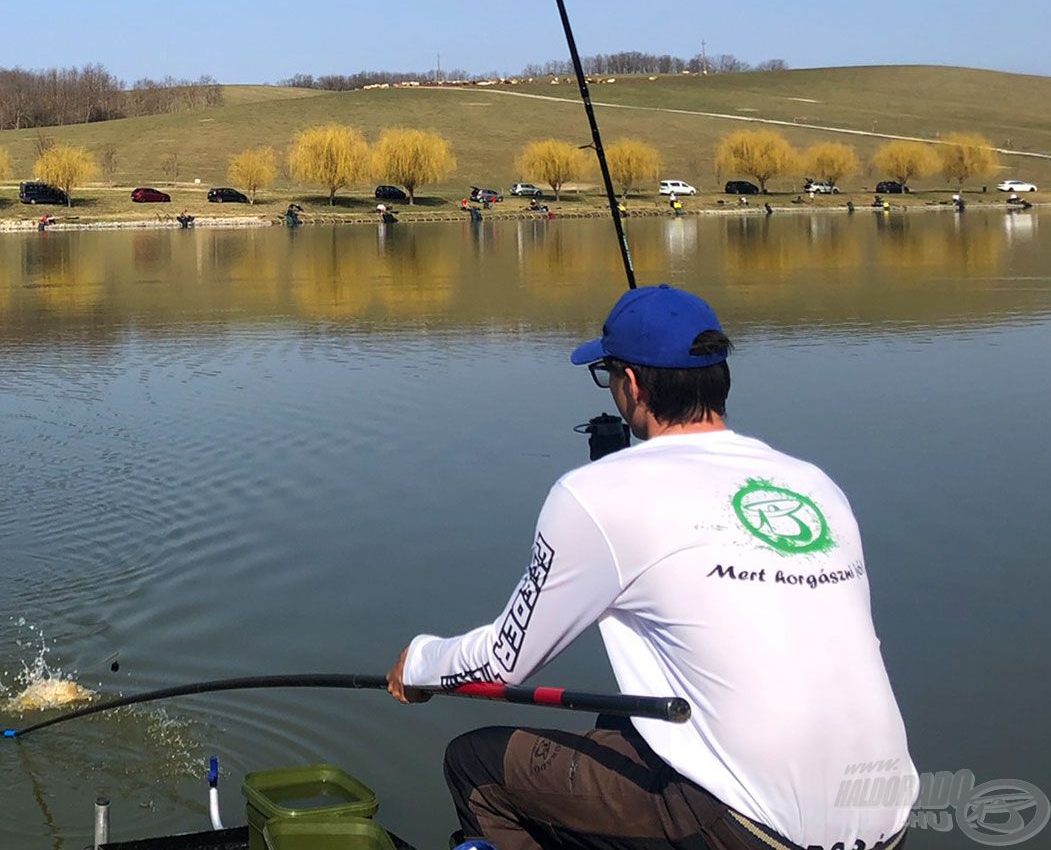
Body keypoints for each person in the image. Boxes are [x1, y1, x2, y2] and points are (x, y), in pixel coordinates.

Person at [388, 285, 912, 850]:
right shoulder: (813, 484)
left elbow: (502, 663)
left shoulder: (594, 494)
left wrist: (419, 665)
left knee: (477, 765)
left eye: (608, 373)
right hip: (886, 817)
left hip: (752, 829)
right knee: (623, 723)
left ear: (631, 385)